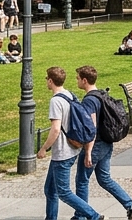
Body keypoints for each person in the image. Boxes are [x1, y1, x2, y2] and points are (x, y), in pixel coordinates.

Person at [74, 66, 132, 220]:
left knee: (82, 181)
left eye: (78, 78)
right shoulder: (101, 94)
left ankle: (81, 216)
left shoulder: (89, 100)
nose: (77, 81)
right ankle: (130, 206)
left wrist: (88, 151)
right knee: (104, 179)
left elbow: (91, 127)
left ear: (84, 80)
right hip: (107, 142)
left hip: (95, 145)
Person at [38, 67, 102, 220]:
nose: (46, 81)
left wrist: (44, 148)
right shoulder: (69, 95)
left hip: (62, 152)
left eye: (47, 79)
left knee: (64, 192)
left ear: (50, 81)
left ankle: (94, 216)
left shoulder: (56, 101)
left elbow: (55, 129)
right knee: (50, 189)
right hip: (72, 148)